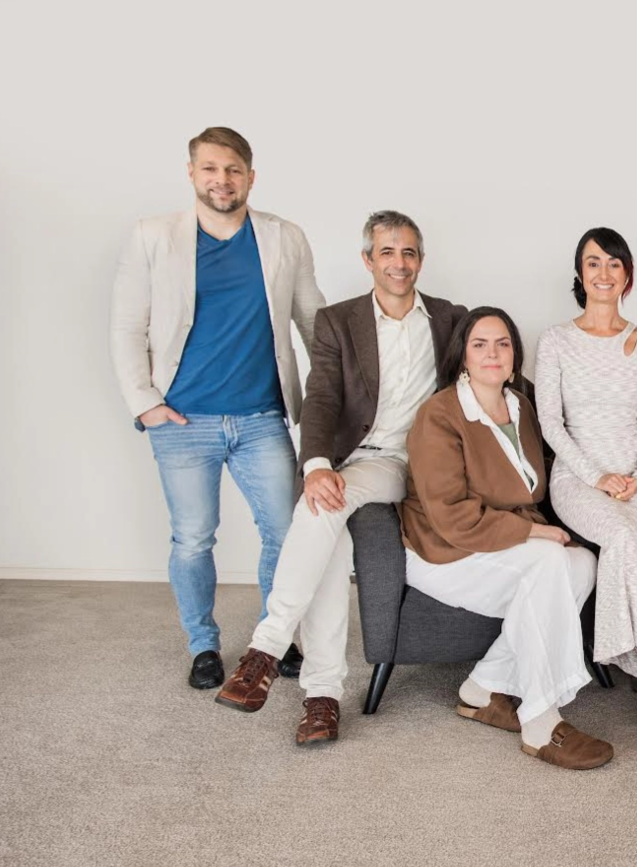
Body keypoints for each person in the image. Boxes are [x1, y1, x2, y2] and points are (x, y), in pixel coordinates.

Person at [213, 211, 466, 745]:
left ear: (421, 260)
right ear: (368, 259)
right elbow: (323, 397)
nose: (399, 263)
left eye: (409, 252)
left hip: (405, 463)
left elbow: (487, 371)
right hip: (350, 455)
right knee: (323, 524)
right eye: (387, 252)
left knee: (326, 504)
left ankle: (268, 649)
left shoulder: (448, 319)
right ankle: (319, 699)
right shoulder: (338, 320)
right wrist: (317, 465)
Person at [109, 127, 325, 689]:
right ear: (191, 173)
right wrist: (146, 404)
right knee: (193, 538)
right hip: (182, 419)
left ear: (251, 176)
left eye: (232, 170)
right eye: (209, 168)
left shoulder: (285, 237)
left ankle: (273, 639)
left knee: (286, 532)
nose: (221, 180)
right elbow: (127, 327)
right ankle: (203, 644)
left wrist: (337, 392)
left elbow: (313, 321)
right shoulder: (153, 236)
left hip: (261, 418)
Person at [401, 307, 611, 770]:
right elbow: (449, 514)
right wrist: (535, 532)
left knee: (583, 564)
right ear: (462, 356)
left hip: (502, 542)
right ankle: (540, 721)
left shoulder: (522, 407)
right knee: (549, 563)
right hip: (443, 548)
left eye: (502, 344)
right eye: (479, 344)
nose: (492, 353)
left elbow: (545, 474)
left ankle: (481, 688)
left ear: (515, 354)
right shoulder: (439, 414)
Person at [533, 227, 637, 748]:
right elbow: (551, 423)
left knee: (625, 542)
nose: (603, 273)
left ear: (628, 275)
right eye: (593, 263)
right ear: (580, 274)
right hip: (576, 479)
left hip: (634, 479)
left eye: (613, 263)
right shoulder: (556, 340)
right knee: (625, 540)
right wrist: (596, 476)